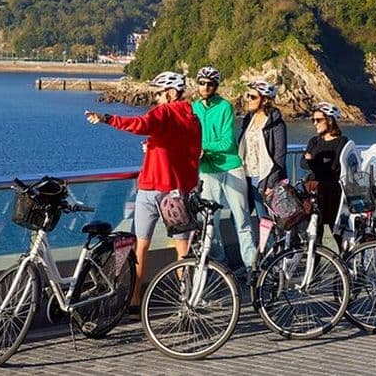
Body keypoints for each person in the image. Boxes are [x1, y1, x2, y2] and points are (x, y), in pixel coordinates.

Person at [85, 71, 201, 314]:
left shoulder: (164, 112)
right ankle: (186, 299)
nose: (155, 98)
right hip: (177, 192)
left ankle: (135, 297)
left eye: (158, 93)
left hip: (151, 189)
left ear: (170, 93)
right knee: (182, 249)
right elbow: (190, 155)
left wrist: (107, 118)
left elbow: (140, 124)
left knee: (140, 247)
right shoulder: (192, 119)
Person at [192, 66, 256, 278]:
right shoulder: (193, 108)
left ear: (216, 86)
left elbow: (228, 142)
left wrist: (201, 147)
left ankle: (251, 267)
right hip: (206, 170)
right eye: (202, 83)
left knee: (242, 219)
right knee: (210, 222)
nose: (205, 87)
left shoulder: (225, 107)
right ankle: (220, 265)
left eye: (210, 84)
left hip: (231, 166)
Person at [300, 102, 348, 247]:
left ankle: (338, 261)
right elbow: (303, 163)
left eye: (319, 120)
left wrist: (312, 161)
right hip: (313, 189)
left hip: (330, 191)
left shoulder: (341, 141)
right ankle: (313, 261)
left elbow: (334, 168)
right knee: (311, 228)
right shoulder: (314, 141)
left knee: (329, 230)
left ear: (330, 120)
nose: (315, 123)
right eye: (313, 120)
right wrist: (318, 163)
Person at [237, 79, 287, 218]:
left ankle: (270, 241)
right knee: (239, 215)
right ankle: (249, 241)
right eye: (248, 96)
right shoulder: (249, 119)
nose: (248, 100)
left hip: (262, 177)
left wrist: (271, 183)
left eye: (253, 97)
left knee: (264, 218)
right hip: (245, 174)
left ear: (264, 100)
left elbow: (280, 155)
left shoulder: (276, 123)